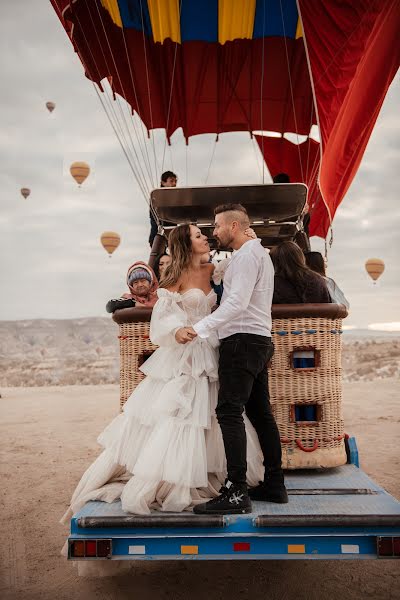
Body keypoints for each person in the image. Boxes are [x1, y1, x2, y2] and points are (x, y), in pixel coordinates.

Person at [61, 224, 265, 521]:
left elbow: (243, 269)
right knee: (182, 416)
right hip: (186, 355)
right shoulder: (175, 279)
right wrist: (177, 330)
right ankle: (178, 477)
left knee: (215, 415)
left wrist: (251, 240)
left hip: (212, 351)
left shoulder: (217, 271)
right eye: (197, 236)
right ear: (185, 244)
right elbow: (162, 317)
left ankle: (215, 476)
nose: (204, 238)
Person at [188, 204, 287, 516]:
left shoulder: (246, 256)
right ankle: (274, 483)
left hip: (242, 341)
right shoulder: (258, 253)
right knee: (260, 414)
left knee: (228, 412)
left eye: (217, 226)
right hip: (259, 340)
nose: (214, 232)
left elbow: (237, 303)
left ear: (233, 226)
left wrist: (199, 327)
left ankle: (235, 491)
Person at [149, 171, 177, 247]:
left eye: (175, 181)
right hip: (158, 238)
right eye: (171, 181)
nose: (174, 184)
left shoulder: (177, 198)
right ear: (163, 183)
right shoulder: (156, 197)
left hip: (173, 237)